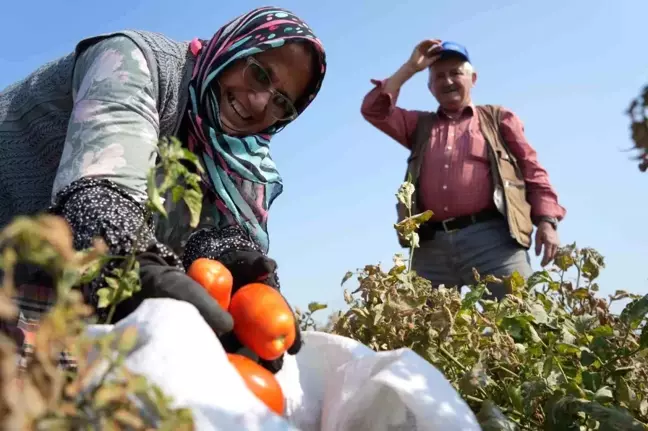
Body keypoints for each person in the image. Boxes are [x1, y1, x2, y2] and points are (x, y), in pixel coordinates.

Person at [0, 6, 327, 374]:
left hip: (50, 282)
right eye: (259, 73)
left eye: (283, 102)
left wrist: (234, 263)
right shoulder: (134, 62)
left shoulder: (231, 159)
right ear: (233, 49)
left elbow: (201, 234)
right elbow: (95, 198)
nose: (259, 102)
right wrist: (133, 264)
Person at [361, 39, 565, 299]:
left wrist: (547, 221)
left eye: (456, 73)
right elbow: (373, 110)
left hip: (493, 240)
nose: (447, 81)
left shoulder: (498, 119)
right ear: (430, 86)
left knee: (521, 320)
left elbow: (532, 170)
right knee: (425, 331)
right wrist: (410, 68)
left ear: (473, 78)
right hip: (430, 246)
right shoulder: (419, 125)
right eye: (439, 76)